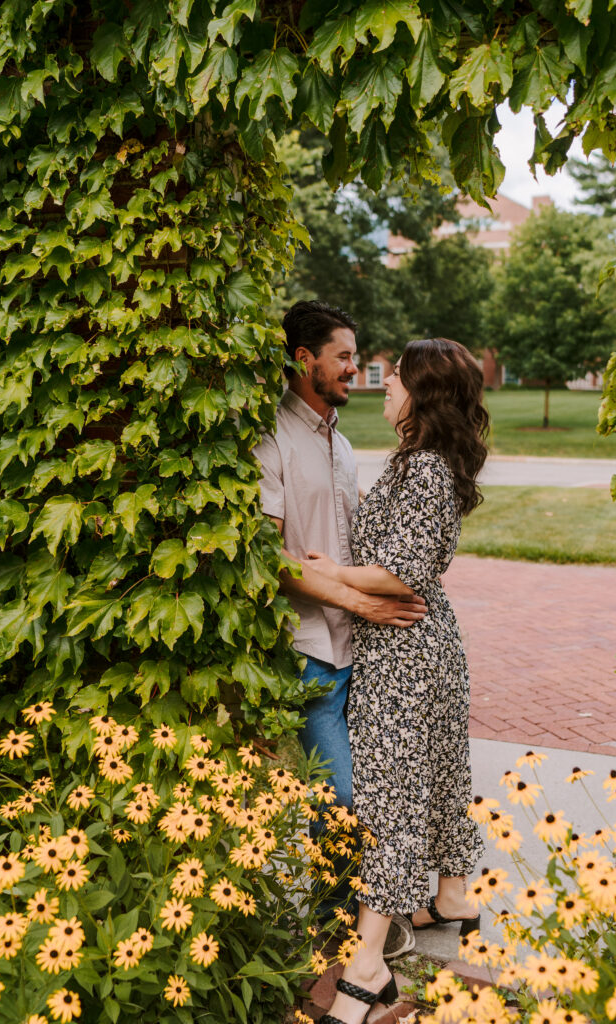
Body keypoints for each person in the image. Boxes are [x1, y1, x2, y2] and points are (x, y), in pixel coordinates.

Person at [306, 338, 489, 1024]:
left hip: (403, 650)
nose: (383, 385)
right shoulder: (421, 463)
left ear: (424, 396)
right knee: (433, 779)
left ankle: (366, 964)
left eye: (396, 379)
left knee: (390, 803)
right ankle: (450, 897)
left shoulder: (424, 470)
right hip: (420, 643)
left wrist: (327, 573)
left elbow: (398, 574)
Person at [254, 300, 426, 952]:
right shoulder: (271, 438)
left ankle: (351, 919)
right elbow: (268, 559)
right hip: (310, 649)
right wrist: (357, 603)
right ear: (304, 359)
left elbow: (352, 545)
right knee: (340, 798)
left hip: (363, 648)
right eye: (344, 357)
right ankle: (340, 929)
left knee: (372, 793)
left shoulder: (345, 444)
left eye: (355, 358)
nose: (356, 368)